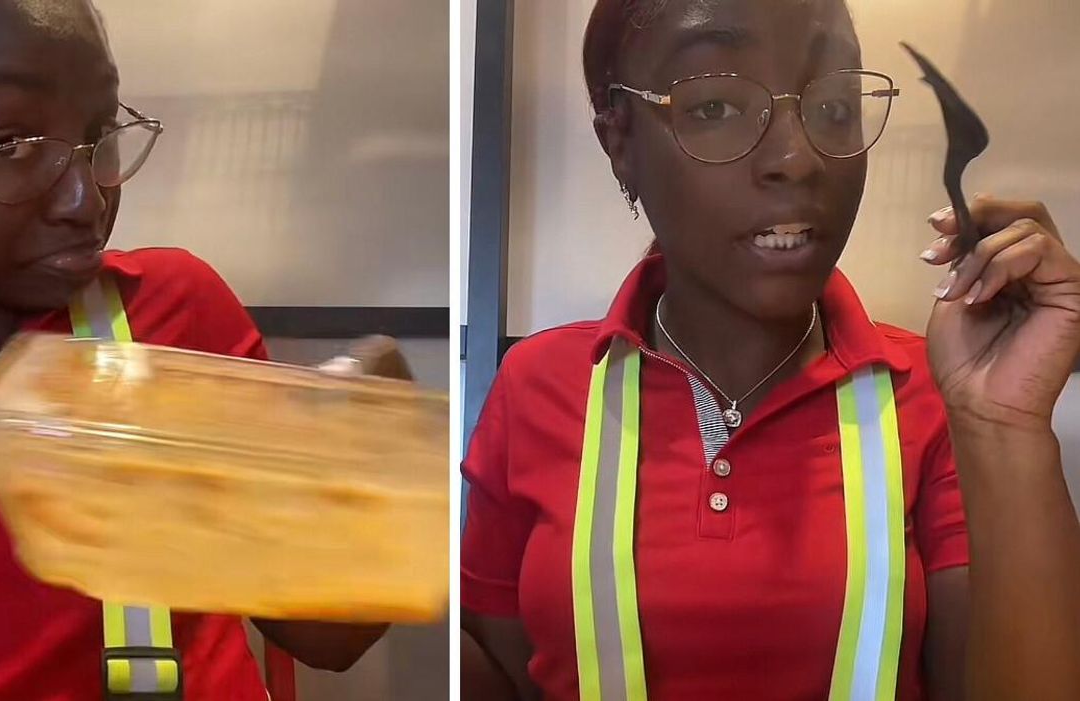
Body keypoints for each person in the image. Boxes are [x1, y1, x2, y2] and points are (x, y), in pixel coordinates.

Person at [460, 1, 1080, 700]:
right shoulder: (537, 386)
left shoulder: (937, 393)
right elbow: (499, 671)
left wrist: (1006, 424)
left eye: (837, 105)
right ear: (620, 141)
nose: (798, 157)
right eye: (716, 105)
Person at [0, 1, 395, 699]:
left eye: (102, 133)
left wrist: (375, 439)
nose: (86, 195)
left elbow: (331, 634)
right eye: (10, 144)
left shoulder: (175, 313)